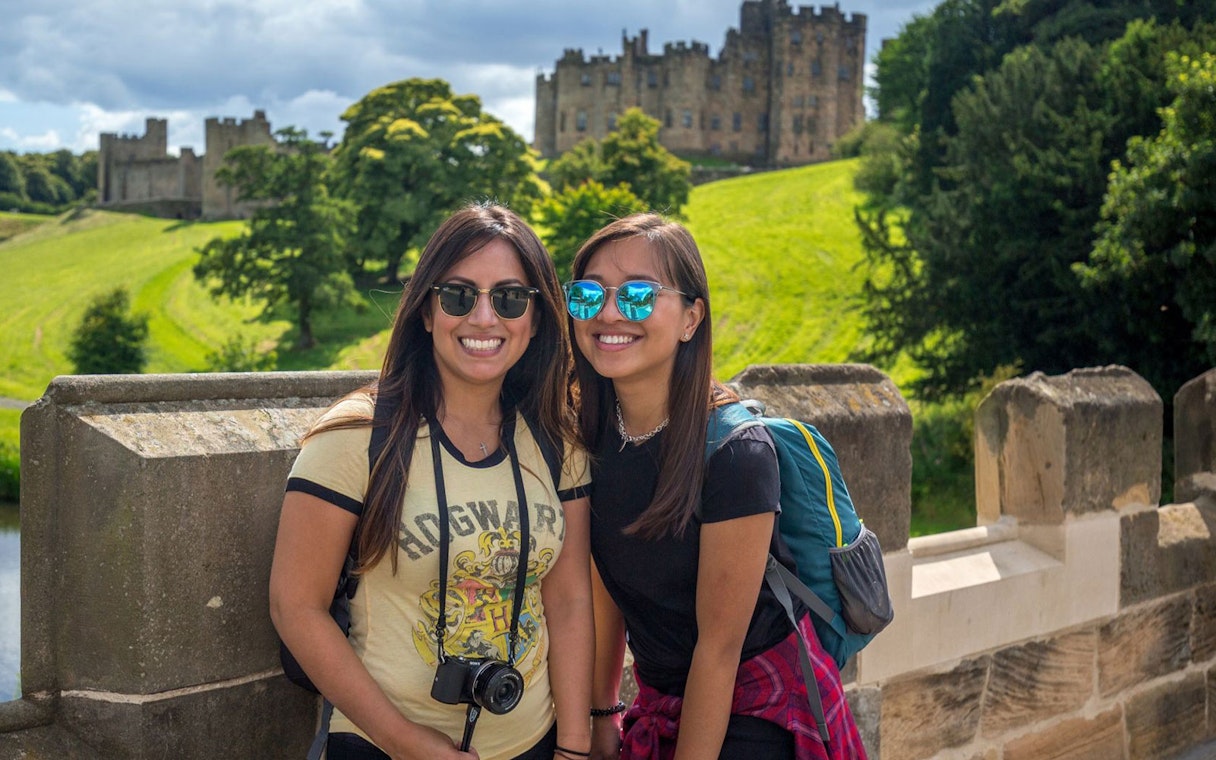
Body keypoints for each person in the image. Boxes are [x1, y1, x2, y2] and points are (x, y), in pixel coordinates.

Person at [270, 203, 594, 760]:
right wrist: (407, 743)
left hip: (532, 742)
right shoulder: (357, 435)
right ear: (426, 310)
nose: (484, 318)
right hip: (384, 744)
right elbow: (295, 606)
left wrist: (574, 745)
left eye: (511, 297)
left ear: (537, 317)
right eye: (459, 295)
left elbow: (567, 600)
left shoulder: (555, 442)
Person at [565, 214, 867, 760]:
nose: (608, 313)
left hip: (756, 709)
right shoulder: (591, 434)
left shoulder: (735, 453)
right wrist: (602, 713)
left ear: (690, 317)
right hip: (660, 699)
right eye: (588, 295)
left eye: (637, 296)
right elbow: (607, 585)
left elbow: (719, 649)